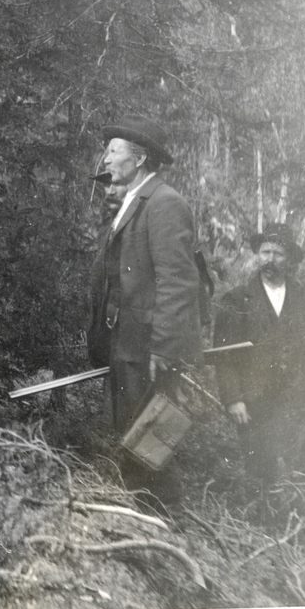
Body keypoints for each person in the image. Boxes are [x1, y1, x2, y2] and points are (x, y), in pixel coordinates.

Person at [89, 114, 202, 505]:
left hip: (148, 349)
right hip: (126, 344)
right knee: (132, 434)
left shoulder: (165, 203)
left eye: (113, 151)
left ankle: (158, 523)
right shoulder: (131, 202)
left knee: (148, 440)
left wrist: (164, 347)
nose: (105, 159)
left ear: (138, 160)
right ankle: (144, 516)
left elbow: (179, 282)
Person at [213, 222, 305, 483]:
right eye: (265, 252)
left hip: (297, 399)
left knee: (300, 469)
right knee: (261, 469)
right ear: (258, 255)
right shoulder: (237, 300)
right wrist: (233, 398)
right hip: (255, 401)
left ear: (288, 259)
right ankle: (261, 519)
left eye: (278, 254)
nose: (270, 259)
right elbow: (224, 355)